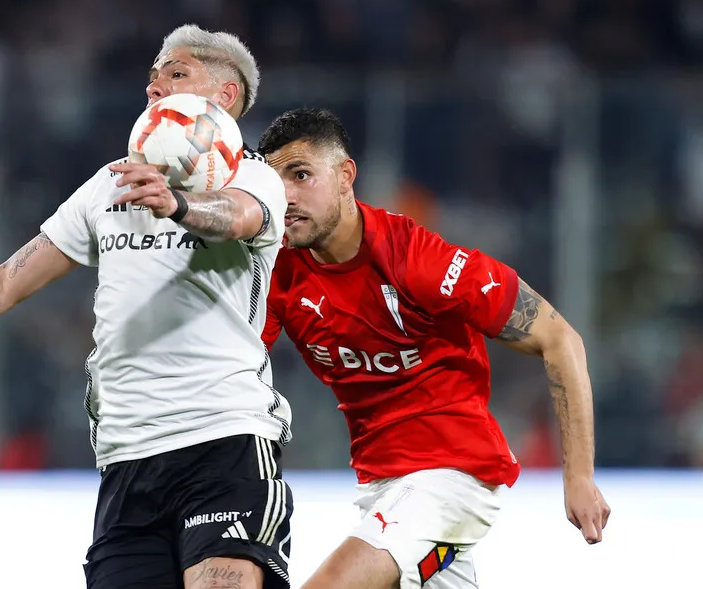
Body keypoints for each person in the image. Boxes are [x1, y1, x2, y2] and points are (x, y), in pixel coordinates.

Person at [0, 25, 294, 589]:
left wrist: (176, 203)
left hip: (223, 441)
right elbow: (7, 281)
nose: (154, 89)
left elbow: (237, 216)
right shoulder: (108, 188)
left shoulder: (255, 178)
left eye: (175, 74)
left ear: (225, 97)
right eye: (151, 79)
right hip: (127, 457)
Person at [257, 108, 610, 589]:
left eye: (301, 175)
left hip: (451, 481)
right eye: (275, 183)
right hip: (381, 487)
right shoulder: (277, 272)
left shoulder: (416, 260)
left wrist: (579, 477)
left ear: (345, 176)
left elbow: (560, 338)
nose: (288, 198)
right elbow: (235, 366)